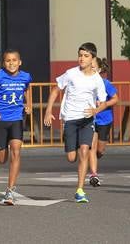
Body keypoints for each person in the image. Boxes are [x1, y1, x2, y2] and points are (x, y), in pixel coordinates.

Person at [44, 42, 107, 203]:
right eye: (80, 55)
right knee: (71, 158)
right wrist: (48, 110)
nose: (82, 58)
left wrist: (96, 110)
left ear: (93, 58)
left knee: (84, 151)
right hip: (70, 119)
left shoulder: (97, 79)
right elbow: (56, 90)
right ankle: (73, 146)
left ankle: (80, 190)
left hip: (87, 119)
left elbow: (103, 101)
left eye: (86, 56)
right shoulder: (71, 73)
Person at [0, 49, 32, 206]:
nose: (11, 63)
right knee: (2, 158)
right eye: (8, 61)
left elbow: (28, 87)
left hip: (16, 118)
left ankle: (10, 191)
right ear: (4, 63)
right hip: (0, 120)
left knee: (16, 152)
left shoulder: (25, 76)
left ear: (20, 62)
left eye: (14, 60)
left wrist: (28, 103)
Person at [88, 57, 119, 187]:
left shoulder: (105, 83)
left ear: (99, 69)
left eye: (93, 67)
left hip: (104, 120)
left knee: (99, 150)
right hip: (90, 119)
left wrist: (104, 104)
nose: (90, 69)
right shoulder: (84, 83)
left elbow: (115, 99)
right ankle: (94, 175)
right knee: (92, 147)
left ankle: (94, 157)